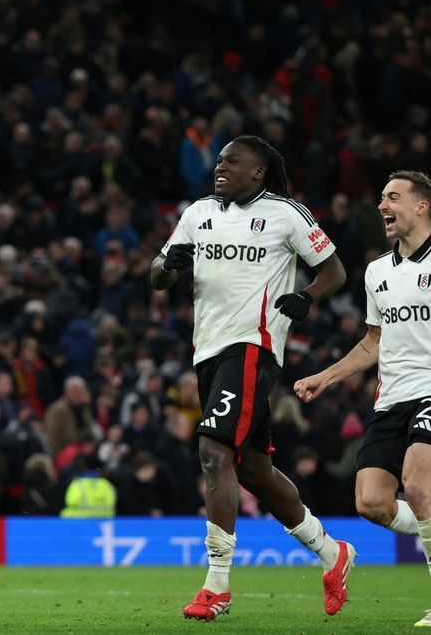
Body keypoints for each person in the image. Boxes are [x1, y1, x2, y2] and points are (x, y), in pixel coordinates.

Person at [150, 135, 353, 620]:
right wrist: (166, 268)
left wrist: (307, 296)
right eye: (219, 160)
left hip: (253, 348)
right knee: (253, 470)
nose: (221, 167)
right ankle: (332, 552)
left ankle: (216, 584)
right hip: (208, 352)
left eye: (232, 162)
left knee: (213, 450)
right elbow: (158, 274)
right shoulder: (197, 213)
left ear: (259, 172)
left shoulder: (287, 214)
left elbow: (335, 271)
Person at [294, 170, 431, 626]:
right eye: (381, 198)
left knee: (416, 485)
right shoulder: (377, 272)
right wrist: (326, 376)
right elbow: (374, 342)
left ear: (421, 207)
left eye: (392, 197)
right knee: (371, 502)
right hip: (390, 399)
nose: (381, 206)